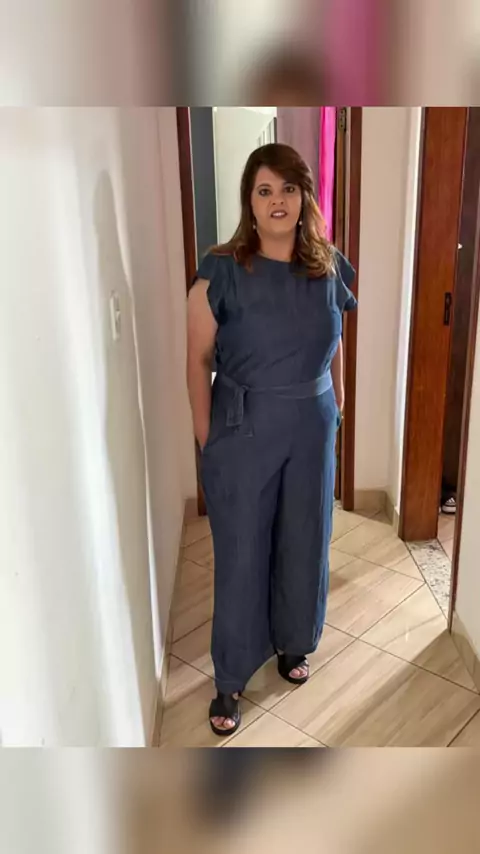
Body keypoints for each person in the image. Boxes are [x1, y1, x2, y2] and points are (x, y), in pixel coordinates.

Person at [187, 143, 357, 737]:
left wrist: (336, 402)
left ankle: (294, 641)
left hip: (311, 427)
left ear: (305, 196)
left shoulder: (328, 265)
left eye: (288, 188)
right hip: (244, 429)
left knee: (305, 538)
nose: (277, 201)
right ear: (250, 202)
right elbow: (197, 360)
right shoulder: (221, 269)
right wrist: (208, 439)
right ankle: (231, 676)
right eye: (265, 190)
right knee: (242, 551)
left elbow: (335, 339)